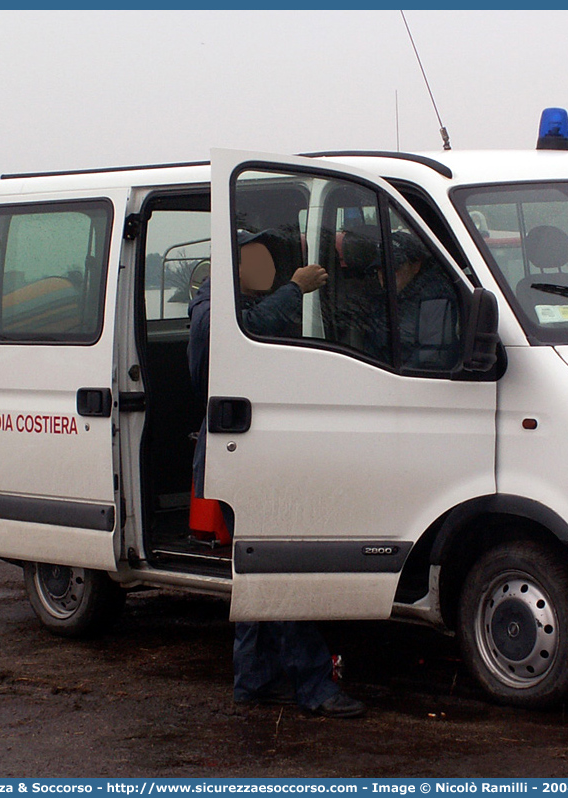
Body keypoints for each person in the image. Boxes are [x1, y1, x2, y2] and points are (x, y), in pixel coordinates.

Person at [187, 228, 366, 719]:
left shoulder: (233, 303)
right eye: (256, 261)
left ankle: (254, 681)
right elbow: (230, 340)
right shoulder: (212, 310)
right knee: (282, 576)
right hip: (239, 458)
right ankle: (314, 687)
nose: (264, 270)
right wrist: (295, 288)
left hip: (247, 455)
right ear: (233, 266)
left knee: (258, 575)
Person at [372, 230, 460, 370]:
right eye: (379, 269)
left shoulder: (435, 296)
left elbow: (431, 356)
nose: (384, 274)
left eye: (393, 268)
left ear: (415, 266)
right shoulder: (382, 297)